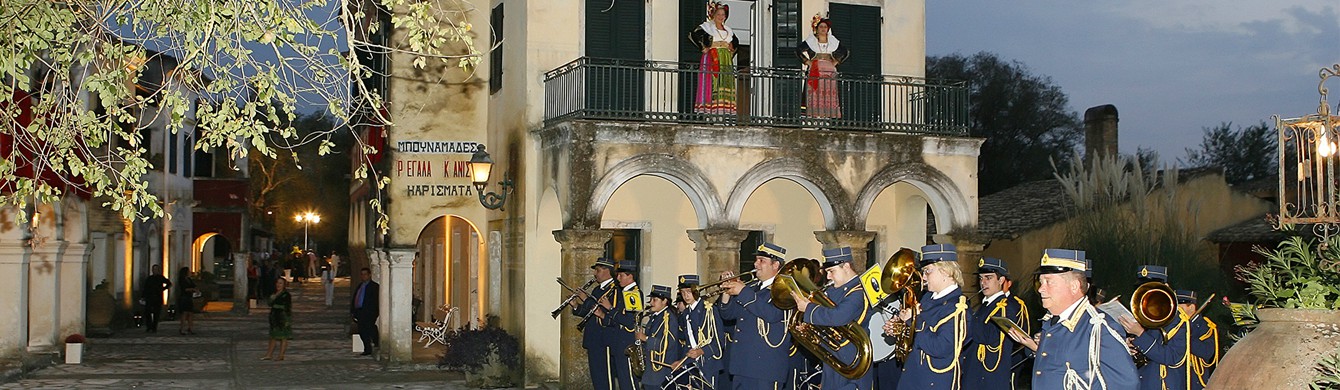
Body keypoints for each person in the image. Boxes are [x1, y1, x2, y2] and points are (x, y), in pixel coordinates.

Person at [1009, 248, 1138, 390]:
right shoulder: (1053, 321)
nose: (1041, 289)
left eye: (1048, 282)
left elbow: (1127, 384)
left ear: (1074, 286)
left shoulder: (1098, 327)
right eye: (1041, 282)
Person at [791, 246, 874, 389]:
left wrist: (808, 309)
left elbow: (838, 317)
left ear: (846, 266)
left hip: (852, 359)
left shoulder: (859, 291)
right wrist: (809, 329)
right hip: (834, 359)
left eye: (831, 271)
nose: (828, 277)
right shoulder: (833, 290)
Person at [719, 242, 793, 389]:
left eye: (762, 261)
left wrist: (743, 291)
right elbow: (728, 315)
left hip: (765, 368)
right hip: (742, 365)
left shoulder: (785, 290)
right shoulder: (752, 287)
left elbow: (772, 314)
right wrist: (725, 292)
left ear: (775, 264)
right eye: (756, 260)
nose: (756, 264)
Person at [896, 243, 968, 389]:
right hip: (914, 375)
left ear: (946, 271)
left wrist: (913, 320)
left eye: (928, 271)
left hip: (934, 381)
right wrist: (899, 328)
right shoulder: (927, 298)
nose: (923, 277)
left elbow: (940, 348)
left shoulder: (957, 307)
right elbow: (916, 337)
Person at [963, 257, 1030, 390]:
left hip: (989, 374)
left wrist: (966, 314)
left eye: (989, 278)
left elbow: (988, 336)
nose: (983, 283)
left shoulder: (1006, 307)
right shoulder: (986, 305)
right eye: (981, 278)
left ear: (1001, 280)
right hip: (973, 371)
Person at [1118, 265, 1181, 390]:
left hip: (1163, 384)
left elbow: (1173, 357)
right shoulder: (1142, 316)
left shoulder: (1178, 320)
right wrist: (1130, 346)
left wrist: (1140, 334)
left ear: (1166, 288)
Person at [569, 257, 618, 390]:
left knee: (605, 378)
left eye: (598, 270)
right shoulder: (598, 289)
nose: (595, 274)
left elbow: (603, 312)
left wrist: (585, 298)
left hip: (604, 339)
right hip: (594, 339)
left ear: (608, 271)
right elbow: (589, 313)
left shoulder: (614, 290)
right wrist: (576, 306)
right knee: (597, 378)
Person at [669, 274, 726, 389]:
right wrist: (681, 362)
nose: (685, 295)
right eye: (683, 292)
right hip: (693, 365)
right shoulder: (686, 314)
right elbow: (689, 344)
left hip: (709, 364)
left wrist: (702, 351)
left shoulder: (709, 310)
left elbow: (719, 342)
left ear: (696, 291)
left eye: (689, 291)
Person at [690, 1, 740, 115]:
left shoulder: (728, 30)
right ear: (713, 15)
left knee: (724, 81)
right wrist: (703, 47)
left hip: (725, 58)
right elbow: (694, 34)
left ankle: (723, 109)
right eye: (718, 14)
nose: (721, 17)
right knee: (713, 82)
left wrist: (732, 48)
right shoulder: (708, 26)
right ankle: (710, 109)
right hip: (713, 57)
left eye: (723, 15)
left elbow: (736, 43)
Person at [798, 14, 850, 118]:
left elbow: (845, 51)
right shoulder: (811, 41)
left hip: (829, 72)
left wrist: (836, 61)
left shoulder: (833, 41)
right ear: (816, 29)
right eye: (821, 27)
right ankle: (814, 117)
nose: (823, 29)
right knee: (814, 94)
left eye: (825, 27)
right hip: (815, 70)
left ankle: (826, 118)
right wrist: (807, 61)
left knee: (828, 94)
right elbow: (797, 50)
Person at [638, 284, 683, 390]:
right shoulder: (656, 316)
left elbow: (667, 344)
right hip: (652, 371)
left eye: (655, 299)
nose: (651, 302)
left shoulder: (668, 318)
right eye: (651, 299)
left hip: (660, 370)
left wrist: (645, 338)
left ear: (664, 301)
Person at [351, 267, 380, 356]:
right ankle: (367, 348)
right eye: (362, 274)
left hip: (369, 312)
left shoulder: (374, 287)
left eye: (365, 274)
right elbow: (356, 298)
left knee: (369, 328)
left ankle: (375, 342)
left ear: (369, 275)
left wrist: (375, 312)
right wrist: (353, 311)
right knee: (362, 331)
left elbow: (376, 301)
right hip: (360, 312)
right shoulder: (360, 286)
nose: (363, 276)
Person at [262, 277, 292, 361]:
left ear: (284, 285)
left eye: (280, 283)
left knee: (283, 336)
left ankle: (281, 355)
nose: (278, 285)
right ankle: (269, 354)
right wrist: (272, 298)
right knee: (273, 336)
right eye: (277, 283)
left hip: (282, 317)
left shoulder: (286, 295)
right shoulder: (274, 294)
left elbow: (287, 307)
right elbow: (269, 303)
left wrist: (287, 319)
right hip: (274, 317)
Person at [141, 265, 172, 333]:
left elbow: (169, 283)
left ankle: (154, 327)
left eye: (156, 269)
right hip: (149, 297)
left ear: (158, 270)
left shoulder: (161, 278)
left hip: (157, 297)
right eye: (153, 269)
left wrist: (163, 289)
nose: (154, 270)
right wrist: (143, 296)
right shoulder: (149, 278)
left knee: (156, 313)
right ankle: (149, 326)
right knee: (148, 312)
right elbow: (145, 288)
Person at [175, 266, 199, 335]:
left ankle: (190, 328)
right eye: (188, 271)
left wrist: (196, 289)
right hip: (184, 297)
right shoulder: (181, 279)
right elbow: (184, 288)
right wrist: (192, 289)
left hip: (189, 297)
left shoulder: (189, 279)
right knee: (184, 313)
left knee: (190, 313)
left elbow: (194, 285)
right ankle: (182, 328)